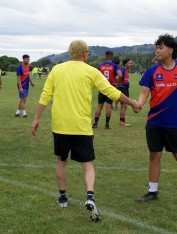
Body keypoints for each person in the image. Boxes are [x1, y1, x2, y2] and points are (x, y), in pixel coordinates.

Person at [31, 40, 141, 221]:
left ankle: (63, 197)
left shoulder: (57, 70)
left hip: (60, 126)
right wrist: (133, 102)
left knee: (61, 160)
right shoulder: (91, 72)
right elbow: (112, 92)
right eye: (88, 52)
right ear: (84, 54)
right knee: (87, 164)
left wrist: (36, 119)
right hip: (81, 127)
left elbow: (45, 96)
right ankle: (90, 196)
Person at [136, 34, 177, 202]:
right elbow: (143, 93)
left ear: (170, 50)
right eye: (156, 47)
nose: (157, 50)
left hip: (175, 123)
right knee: (154, 155)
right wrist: (139, 103)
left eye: (161, 47)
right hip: (155, 122)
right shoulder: (151, 71)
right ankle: (152, 191)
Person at [92, 51, 122, 129]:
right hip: (110, 87)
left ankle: (95, 124)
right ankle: (107, 125)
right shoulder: (114, 66)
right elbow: (120, 75)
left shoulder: (100, 66)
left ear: (105, 57)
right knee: (108, 106)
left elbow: (96, 76)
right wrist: (117, 83)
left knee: (99, 106)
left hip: (102, 88)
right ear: (112, 57)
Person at [118, 58, 133, 126]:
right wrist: (119, 85)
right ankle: (122, 121)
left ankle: (121, 120)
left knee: (123, 106)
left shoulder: (126, 70)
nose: (131, 64)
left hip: (126, 88)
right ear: (125, 64)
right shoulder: (122, 70)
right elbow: (119, 77)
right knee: (124, 105)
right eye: (129, 63)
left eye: (130, 63)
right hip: (123, 89)